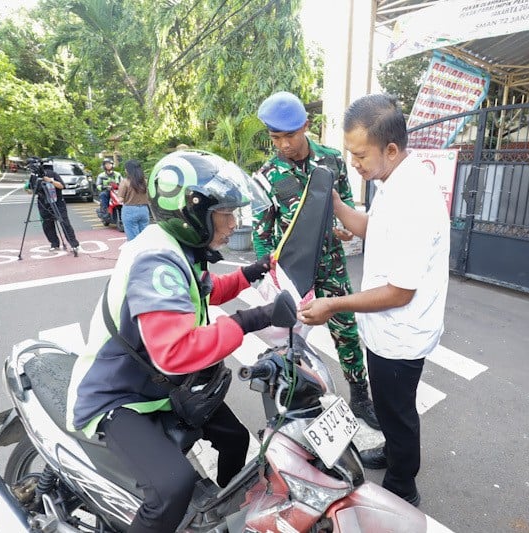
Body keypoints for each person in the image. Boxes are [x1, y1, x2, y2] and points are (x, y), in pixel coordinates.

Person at [66, 150, 275, 533]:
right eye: (224, 214)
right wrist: (252, 320)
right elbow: (175, 352)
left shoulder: (178, 248)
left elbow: (204, 292)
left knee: (234, 440)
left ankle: (218, 521)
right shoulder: (156, 261)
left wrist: (253, 272)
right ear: (192, 213)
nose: (232, 224)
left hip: (161, 389)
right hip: (120, 396)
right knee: (171, 487)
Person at [298, 94, 450, 507]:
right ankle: (393, 453)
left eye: (360, 154)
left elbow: (400, 292)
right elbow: (374, 227)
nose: (354, 163)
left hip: (401, 334)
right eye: (350, 153)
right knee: (387, 406)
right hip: (387, 330)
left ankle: (403, 486)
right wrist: (336, 205)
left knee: (398, 414)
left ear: (392, 148)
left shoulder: (413, 198)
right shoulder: (393, 180)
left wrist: (332, 305)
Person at [253, 90, 379, 430]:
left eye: (289, 136)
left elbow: (347, 205)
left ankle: (360, 397)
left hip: (331, 265)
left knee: (347, 331)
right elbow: (261, 232)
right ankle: (291, 401)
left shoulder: (332, 160)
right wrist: (267, 278)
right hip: (291, 272)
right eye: (275, 137)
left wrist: (344, 228)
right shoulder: (267, 175)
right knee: (290, 338)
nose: (283, 145)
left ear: (306, 126)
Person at [28, 158, 81, 254]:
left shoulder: (52, 174)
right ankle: (54, 244)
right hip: (43, 203)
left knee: (64, 223)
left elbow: (61, 186)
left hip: (57, 202)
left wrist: (50, 181)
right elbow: (32, 190)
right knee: (47, 224)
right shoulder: (33, 177)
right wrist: (31, 189)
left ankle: (74, 244)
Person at [117, 159, 149, 241]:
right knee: (145, 236)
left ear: (128, 170)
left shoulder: (125, 182)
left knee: (133, 239)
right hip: (144, 210)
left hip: (130, 210)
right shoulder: (145, 181)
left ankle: (136, 253)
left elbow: (120, 199)